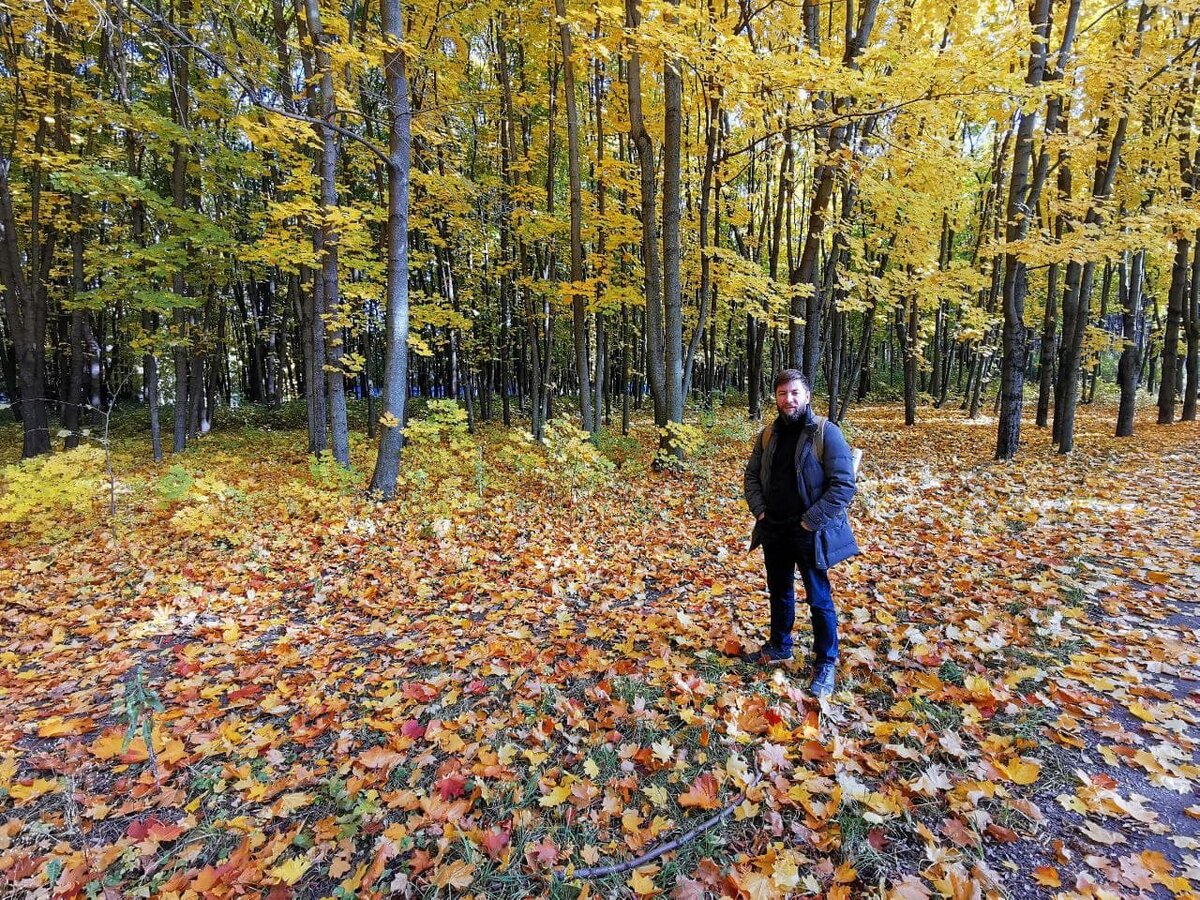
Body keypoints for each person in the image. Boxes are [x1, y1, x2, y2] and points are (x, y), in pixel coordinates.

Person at [743, 369, 859, 696]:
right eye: (782, 394)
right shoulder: (768, 435)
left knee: (819, 598)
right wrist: (761, 512)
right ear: (776, 398)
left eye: (794, 393)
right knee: (779, 592)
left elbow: (843, 485)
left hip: (809, 532)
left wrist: (810, 521)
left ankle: (826, 661)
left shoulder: (825, 433)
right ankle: (781, 644)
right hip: (774, 530)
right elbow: (751, 477)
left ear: (806, 395)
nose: (788, 399)